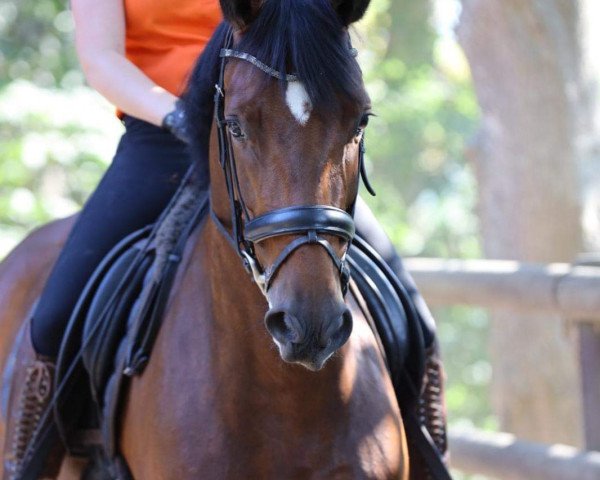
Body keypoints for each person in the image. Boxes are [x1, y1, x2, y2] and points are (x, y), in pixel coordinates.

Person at [2, 0, 439, 478]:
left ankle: (430, 458)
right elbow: (102, 59)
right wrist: (181, 114)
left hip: (282, 135)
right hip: (165, 131)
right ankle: (26, 464)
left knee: (414, 320)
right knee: (53, 317)